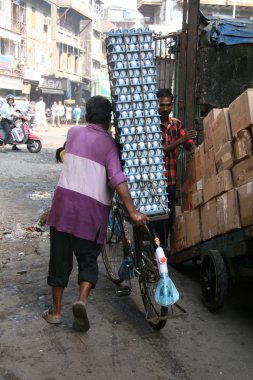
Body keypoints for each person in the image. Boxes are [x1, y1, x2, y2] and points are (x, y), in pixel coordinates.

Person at [43, 95, 149, 332]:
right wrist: (132, 211)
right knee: (88, 260)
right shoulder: (110, 145)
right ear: (109, 120)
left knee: (59, 262)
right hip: (91, 214)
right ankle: (82, 300)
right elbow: (117, 178)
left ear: (87, 115)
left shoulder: (73, 133)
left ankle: (56, 312)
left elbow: (66, 155)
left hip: (63, 210)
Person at [156, 88, 197, 252]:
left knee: (169, 216)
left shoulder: (177, 124)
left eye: (168, 105)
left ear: (172, 104)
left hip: (170, 180)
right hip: (155, 180)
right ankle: (156, 246)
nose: (165, 109)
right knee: (155, 217)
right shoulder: (151, 125)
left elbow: (188, 144)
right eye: (161, 105)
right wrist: (181, 140)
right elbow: (159, 151)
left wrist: (194, 147)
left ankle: (163, 247)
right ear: (156, 105)